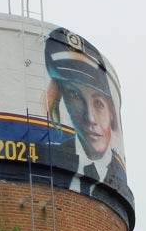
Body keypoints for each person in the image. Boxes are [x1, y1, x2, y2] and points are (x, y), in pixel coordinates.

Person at [43, 29, 126, 193]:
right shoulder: (50, 156)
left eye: (99, 104)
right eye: (75, 96)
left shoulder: (116, 178)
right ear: (63, 102)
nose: (90, 118)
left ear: (112, 112)